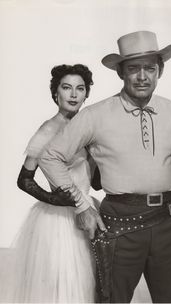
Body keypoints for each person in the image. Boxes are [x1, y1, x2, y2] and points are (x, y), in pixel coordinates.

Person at [39, 31, 171, 303]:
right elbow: (50, 156)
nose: (142, 76)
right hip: (119, 225)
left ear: (160, 71)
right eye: (133, 69)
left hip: (169, 224)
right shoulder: (96, 115)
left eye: (150, 68)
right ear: (121, 73)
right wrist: (81, 206)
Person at [0, 64, 99, 303]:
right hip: (58, 220)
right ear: (56, 93)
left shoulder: (89, 127)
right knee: (61, 281)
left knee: (91, 282)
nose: (74, 94)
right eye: (67, 88)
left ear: (87, 94)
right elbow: (24, 179)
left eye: (80, 88)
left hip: (88, 209)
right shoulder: (48, 129)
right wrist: (54, 199)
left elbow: (95, 182)